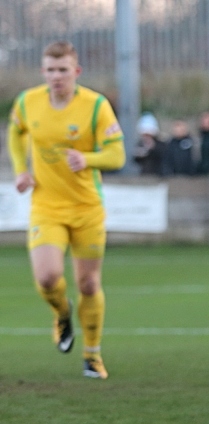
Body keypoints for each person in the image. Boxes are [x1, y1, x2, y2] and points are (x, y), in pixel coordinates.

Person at [6, 40, 125, 379]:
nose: (56, 76)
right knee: (47, 278)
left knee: (88, 283)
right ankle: (62, 312)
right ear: (43, 71)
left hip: (87, 208)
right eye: (50, 70)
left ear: (76, 71)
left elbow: (117, 155)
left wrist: (87, 159)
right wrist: (20, 169)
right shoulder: (28, 103)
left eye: (63, 70)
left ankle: (92, 355)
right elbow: (15, 133)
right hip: (46, 205)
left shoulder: (95, 106)